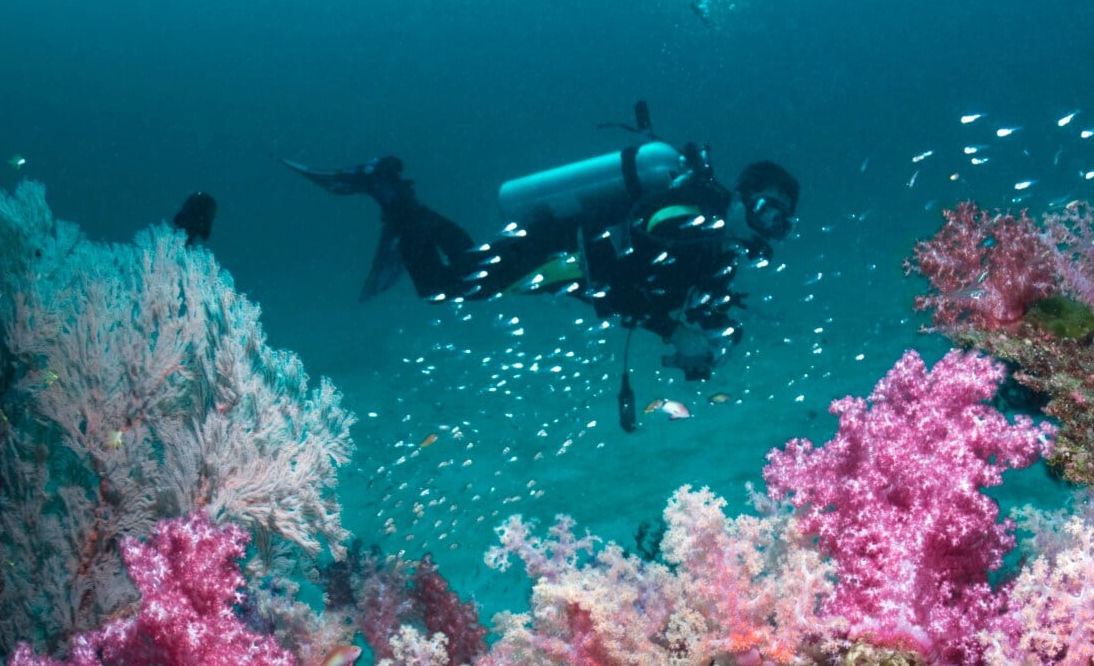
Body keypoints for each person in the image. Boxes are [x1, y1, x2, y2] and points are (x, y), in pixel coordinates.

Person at [284, 105, 799, 426]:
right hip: (555, 251)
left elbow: (679, 295)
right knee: (443, 285)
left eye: (781, 222)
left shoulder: (718, 250)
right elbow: (629, 266)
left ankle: (400, 205)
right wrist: (674, 330)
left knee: (461, 276)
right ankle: (392, 193)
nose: (769, 227)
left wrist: (714, 337)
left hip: (565, 268)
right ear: (742, 196)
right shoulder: (690, 215)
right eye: (767, 211)